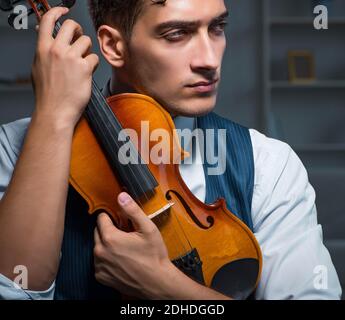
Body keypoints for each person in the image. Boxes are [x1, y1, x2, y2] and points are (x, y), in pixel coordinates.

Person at [0, 0, 342, 300]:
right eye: (177, 33)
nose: (209, 59)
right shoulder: (15, 147)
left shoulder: (268, 164)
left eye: (218, 27)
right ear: (113, 46)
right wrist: (53, 117)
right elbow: (15, 290)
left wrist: (168, 288)